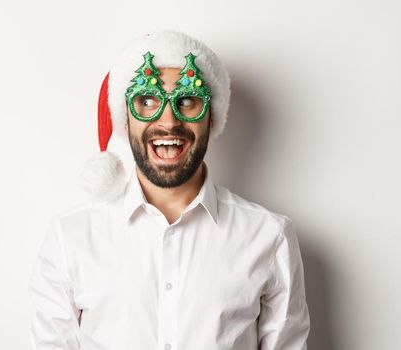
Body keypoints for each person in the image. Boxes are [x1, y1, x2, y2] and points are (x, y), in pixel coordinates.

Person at [28, 30, 310, 349]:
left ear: (211, 116)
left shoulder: (269, 237)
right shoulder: (71, 239)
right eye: (147, 101)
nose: (168, 121)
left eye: (187, 100)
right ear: (125, 120)